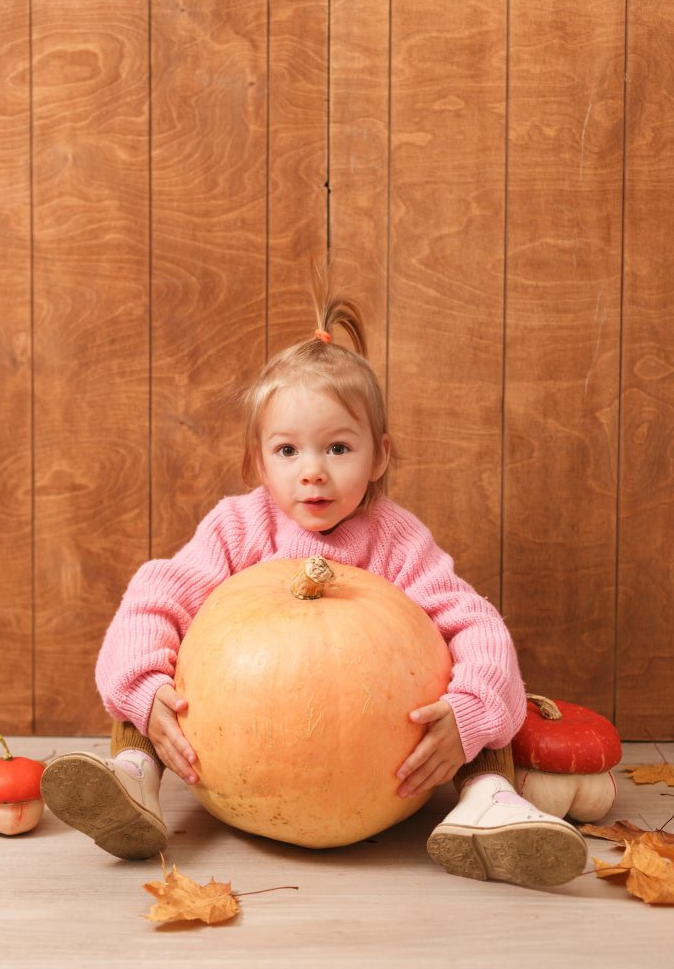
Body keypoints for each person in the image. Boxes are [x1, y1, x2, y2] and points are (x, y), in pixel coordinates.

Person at [41, 284, 588, 888]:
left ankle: (488, 798)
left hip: (378, 769)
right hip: (235, 754)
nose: (313, 471)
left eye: (338, 447)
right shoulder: (236, 527)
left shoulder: (395, 541)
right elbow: (155, 597)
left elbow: (474, 624)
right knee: (147, 677)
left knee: (485, 693)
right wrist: (143, 689)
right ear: (257, 461)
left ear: (379, 457)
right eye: (287, 449)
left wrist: (470, 715)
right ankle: (133, 777)